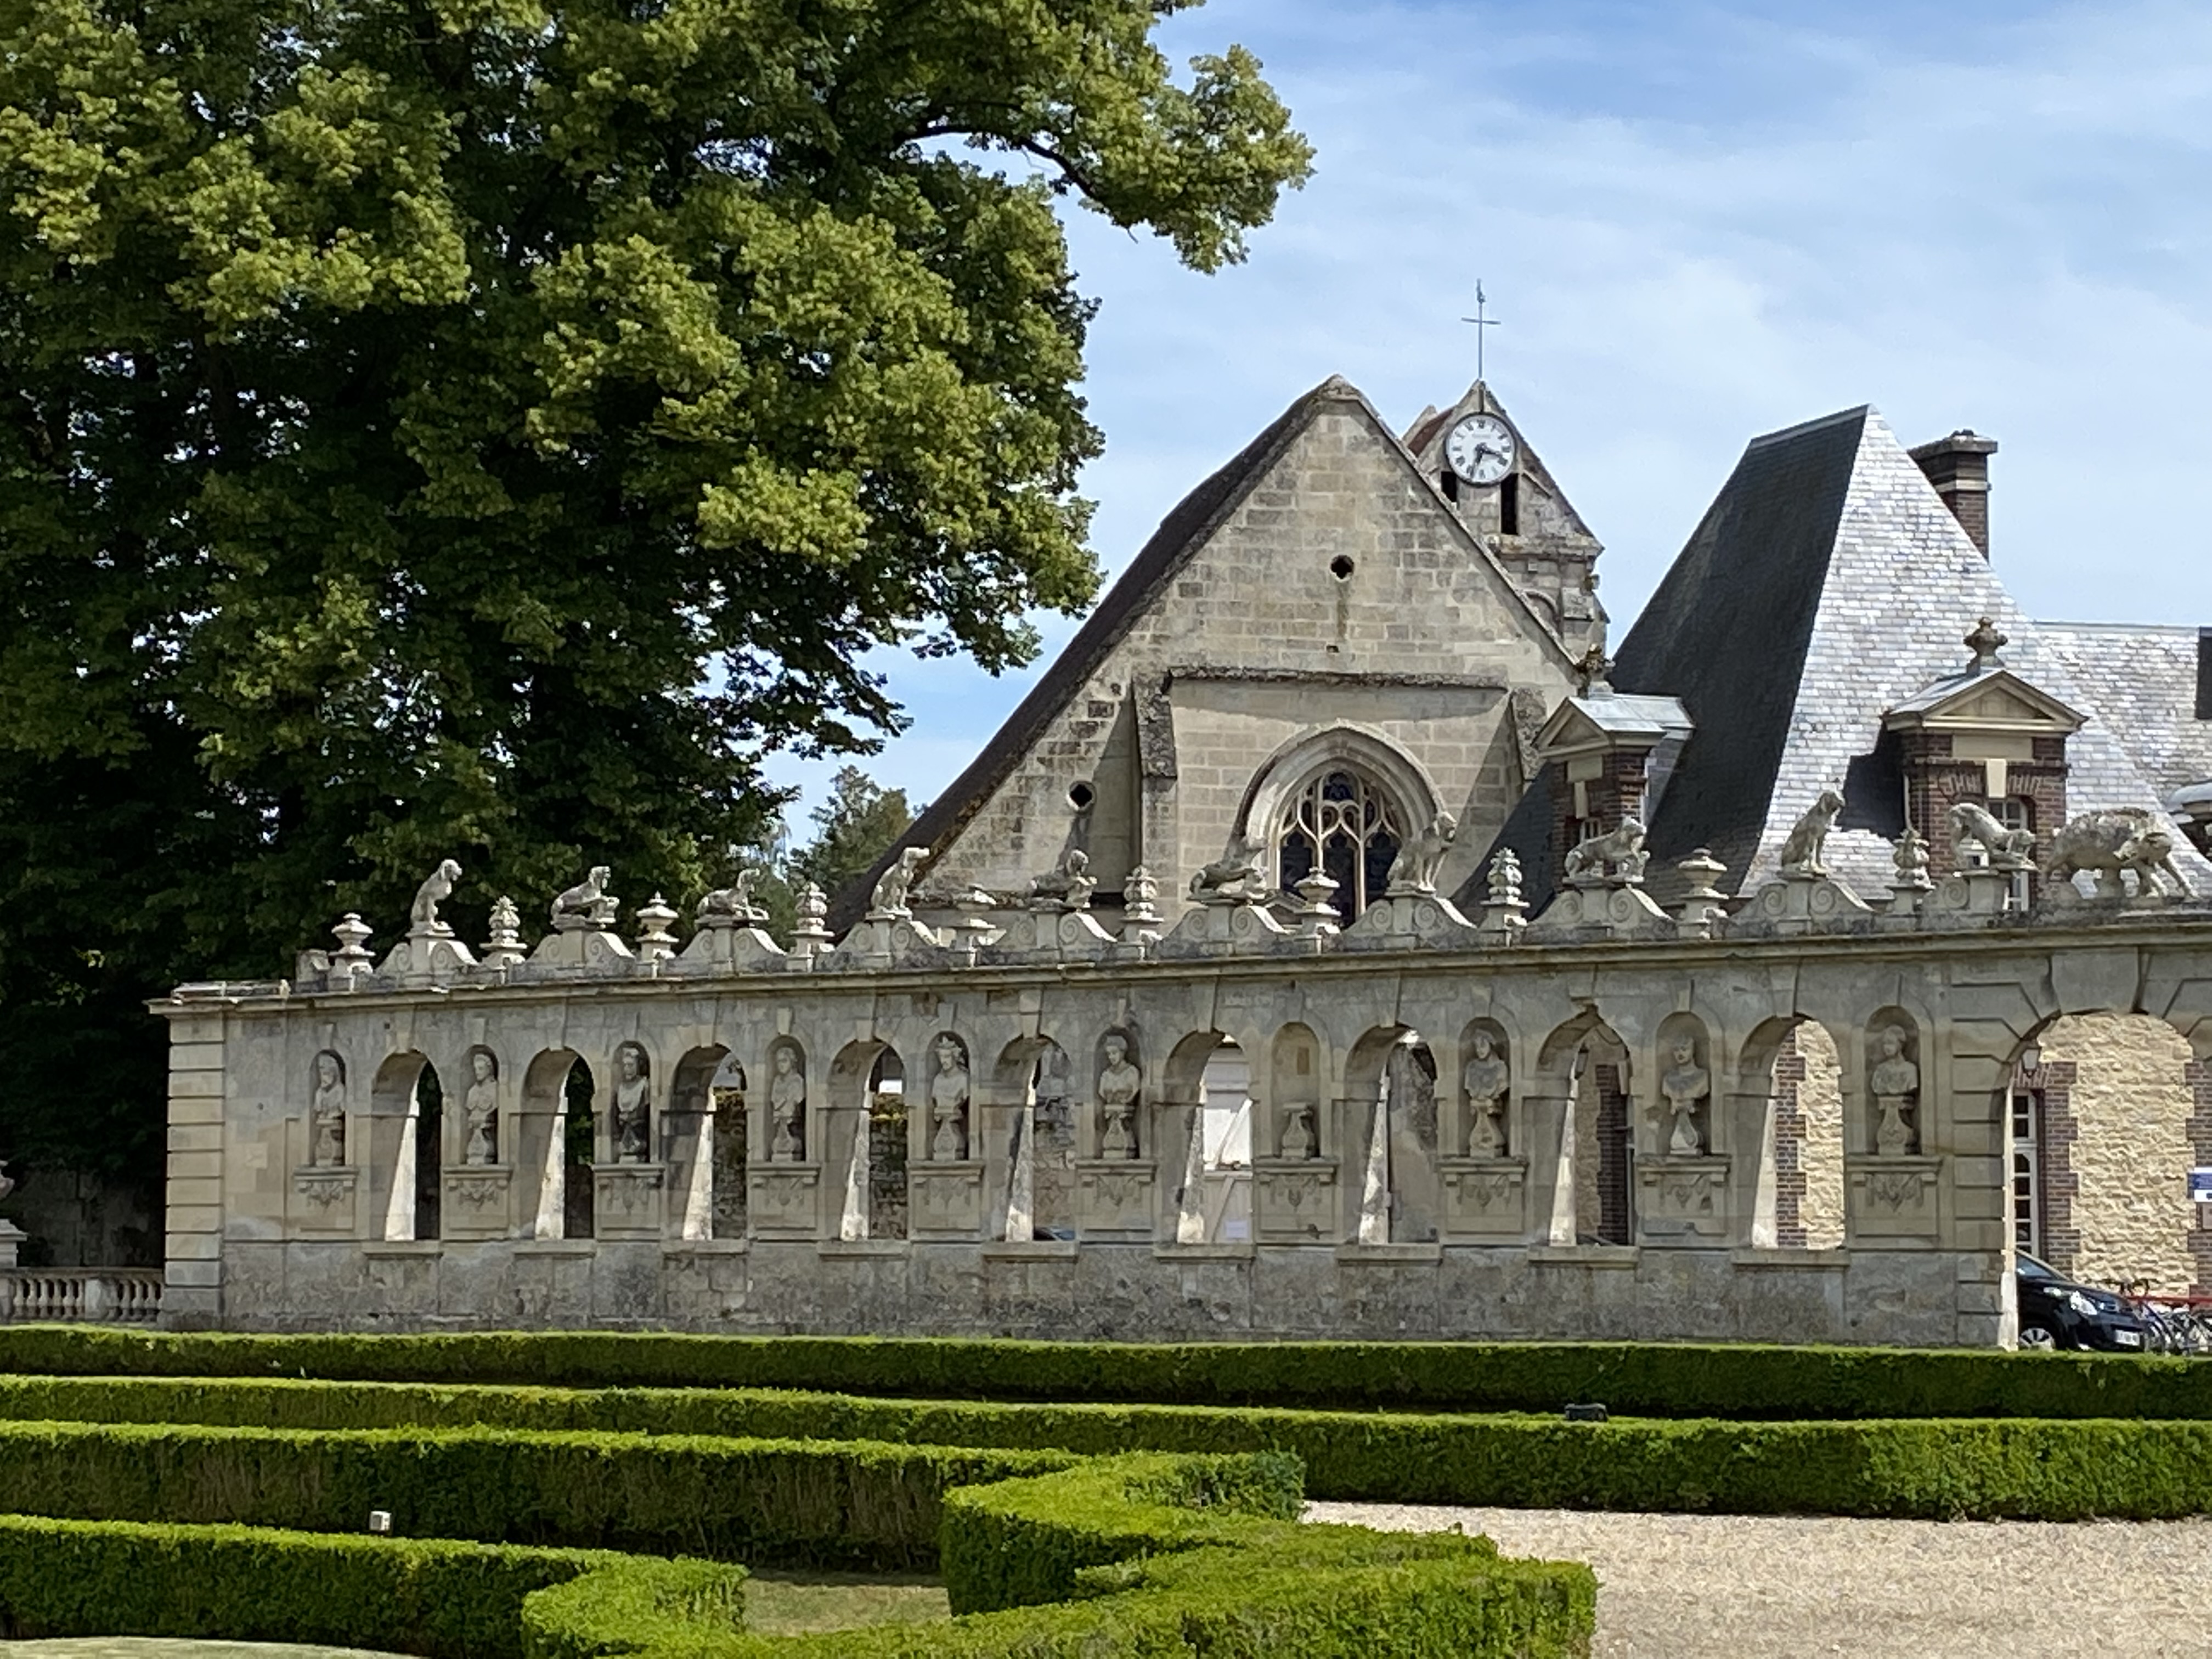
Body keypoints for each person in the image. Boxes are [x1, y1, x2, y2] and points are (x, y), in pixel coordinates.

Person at [1097, 1033, 1142, 1158]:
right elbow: (1102, 1092)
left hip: (1124, 1118)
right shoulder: (1105, 1075)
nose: (1111, 1057)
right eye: (1109, 1054)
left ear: (1122, 1052)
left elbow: (1134, 1090)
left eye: (1114, 1053)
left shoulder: (1132, 1073)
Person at [613, 1043, 651, 1161]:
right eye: (625, 1066)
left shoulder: (644, 1085)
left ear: (638, 1066)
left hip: (637, 1130)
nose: (627, 1069)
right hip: (625, 1129)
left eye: (631, 1065)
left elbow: (644, 1108)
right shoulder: (621, 1087)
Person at [464, 1051, 499, 1165]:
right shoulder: (472, 1092)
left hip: (486, 1142)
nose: (477, 1073)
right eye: (476, 1069)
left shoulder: (495, 1090)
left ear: (489, 1070)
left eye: (481, 1069)